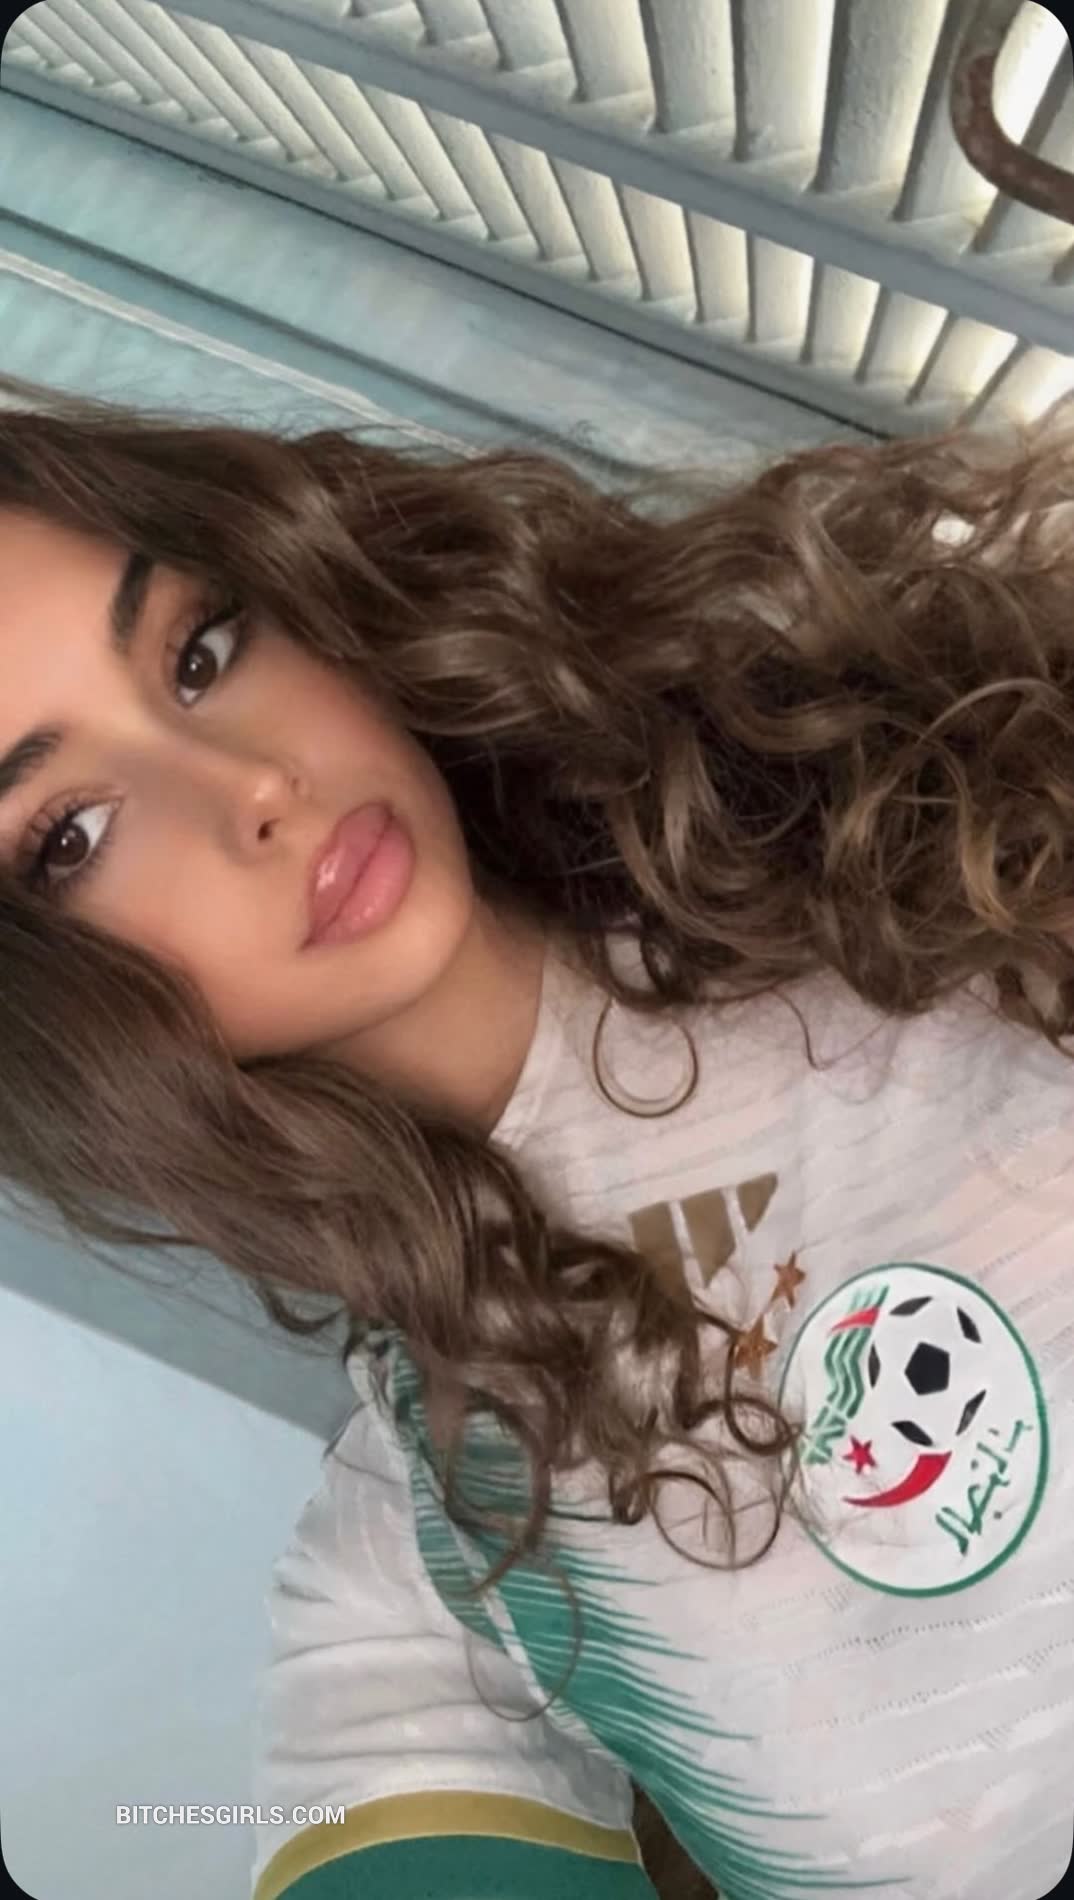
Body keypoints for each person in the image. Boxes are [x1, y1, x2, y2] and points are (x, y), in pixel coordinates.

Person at [0, 375, 1072, 1900]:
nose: (250, 788)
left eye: (197, 653)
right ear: (53, 1020)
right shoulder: (442, 1555)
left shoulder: (924, 819)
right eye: (74, 835)